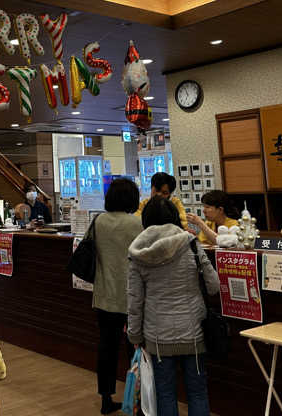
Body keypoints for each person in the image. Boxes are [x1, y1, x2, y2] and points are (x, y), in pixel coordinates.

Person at [127, 197, 220, 416]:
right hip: (193, 331)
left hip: (157, 336)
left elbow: (134, 300)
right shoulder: (190, 243)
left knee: (165, 393)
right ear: (173, 216)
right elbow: (214, 285)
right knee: (197, 393)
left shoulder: (138, 251)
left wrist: (134, 335)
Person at [93, 178, 144, 414]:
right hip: (131, 298)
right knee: (135, 350)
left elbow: (86, 249)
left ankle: (106, 398)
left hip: (103, 296)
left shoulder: (98, 221)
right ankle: (137, 399)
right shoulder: (136, 224)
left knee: (106, 349)